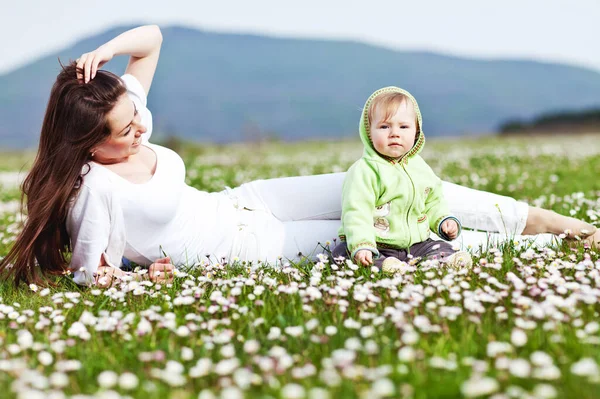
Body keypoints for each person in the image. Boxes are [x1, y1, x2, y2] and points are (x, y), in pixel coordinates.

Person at [0, 25, 597, 288]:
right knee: (394, 235)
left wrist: (104, 53)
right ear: (86, 144)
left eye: (137, 121)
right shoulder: (91, 190)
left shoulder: (124, 113)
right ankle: (540, 249)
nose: (139, 132)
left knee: (382, 178)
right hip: (251, 249)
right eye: (123, 133)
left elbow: (152, 37)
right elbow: (90, 272)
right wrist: (139, 274)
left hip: (248, 203)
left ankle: (543, 220)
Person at [332, 87, 472, 271]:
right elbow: (357, 211)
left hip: (416, 245)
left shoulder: (420, 168)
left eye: (403, 127)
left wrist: (443, 219)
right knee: (345, 253)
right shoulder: (365, 170)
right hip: (378, 244)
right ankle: (386, 265)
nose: (394, 133)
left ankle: (447, 260)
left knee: (439, 247)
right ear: (368, 132)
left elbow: (433, 200)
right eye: (384, 126)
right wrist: (362, 243)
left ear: (416, 132)